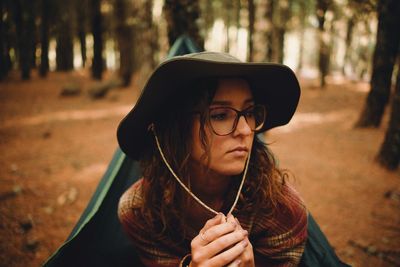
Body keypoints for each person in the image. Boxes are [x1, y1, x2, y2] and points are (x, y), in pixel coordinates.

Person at [117, 52, 308, 267]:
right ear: (176, 128)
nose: (245, 130)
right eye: (219, 115)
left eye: (251, 111)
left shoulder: (282, 209)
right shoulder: (141, 210)